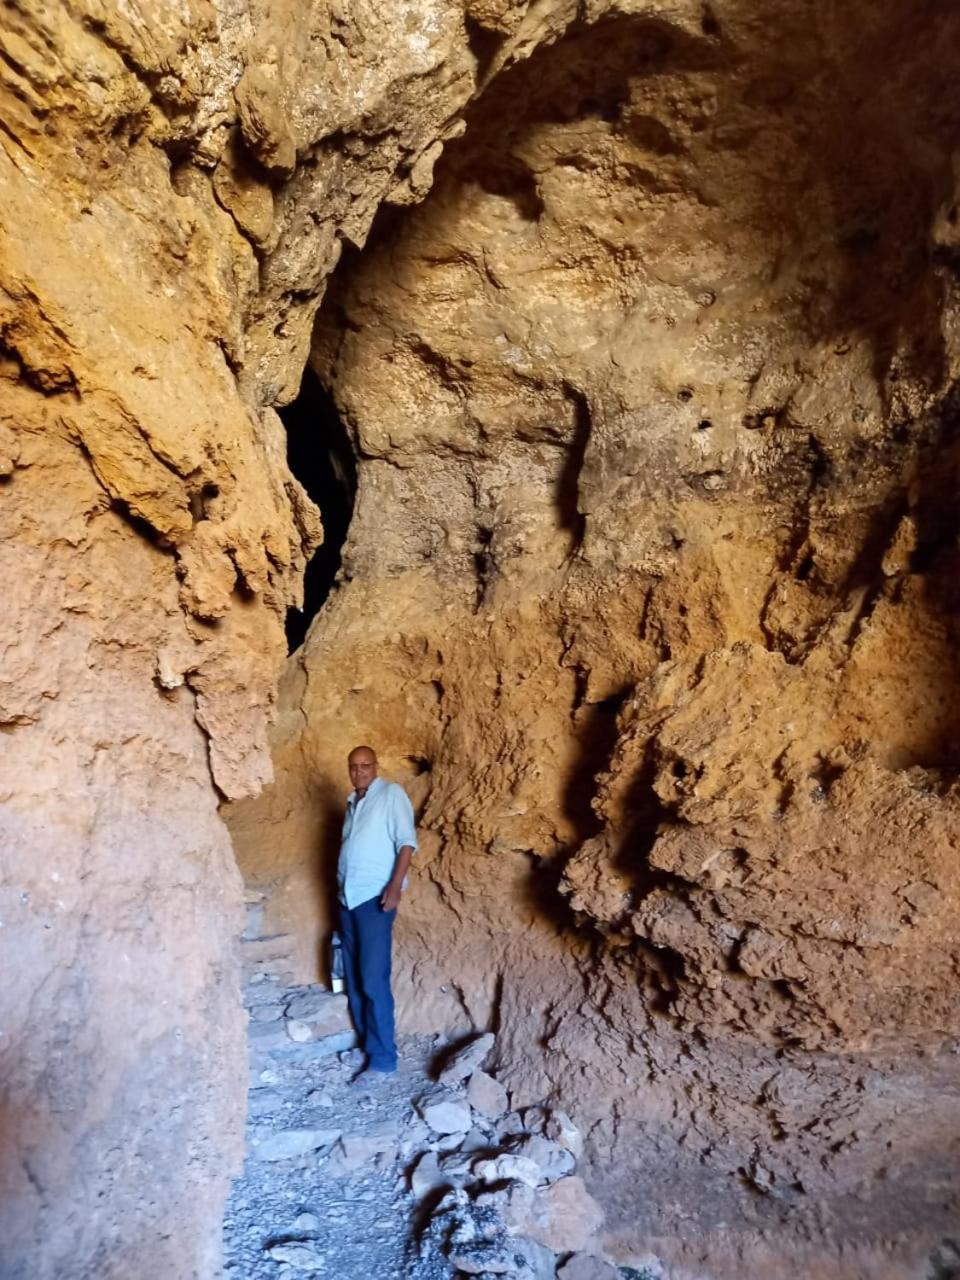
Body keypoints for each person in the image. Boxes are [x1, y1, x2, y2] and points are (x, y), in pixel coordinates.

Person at [337, 744, 417, 1080]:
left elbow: (406, 842)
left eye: (365, 765)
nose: (359, 772)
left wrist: (395, 887)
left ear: (376, 765)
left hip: (375, 899)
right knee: (354, 981)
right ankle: (367, 1045)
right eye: (354, 766)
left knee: (372, 979)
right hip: (347, 900)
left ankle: (384, 1060)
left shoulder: (391, 794)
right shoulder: (352, 803)